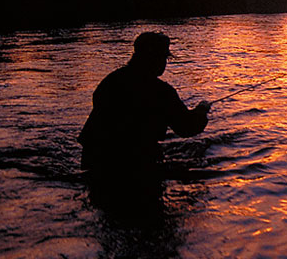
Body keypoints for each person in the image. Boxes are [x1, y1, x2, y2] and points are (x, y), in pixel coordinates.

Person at [79, 32, 210, 181]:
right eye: (164, 57)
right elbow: (187, 127)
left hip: (94, 157)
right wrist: (201, 111)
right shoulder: (162, 92)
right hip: (137, 163)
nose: (165, 62)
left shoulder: (111, 81)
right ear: (155, 59)